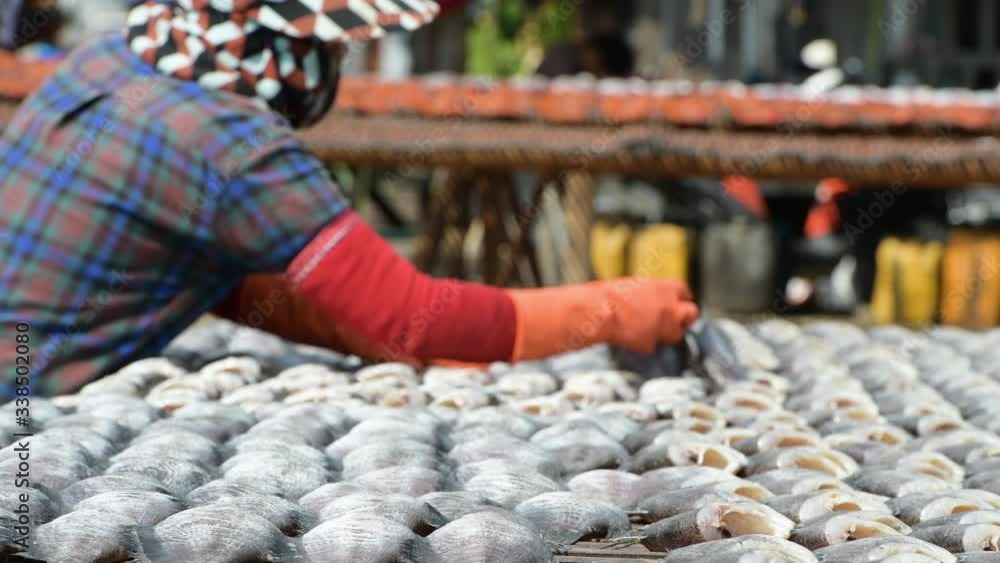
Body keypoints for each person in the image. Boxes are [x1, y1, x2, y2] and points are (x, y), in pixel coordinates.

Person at [0, 0, 699, 397]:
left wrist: (358, 323)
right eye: (333, 49)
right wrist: (612, 310)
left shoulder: (113, 56)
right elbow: (412, 317)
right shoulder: (232, 139)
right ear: (291, 43)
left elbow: (225, 277)